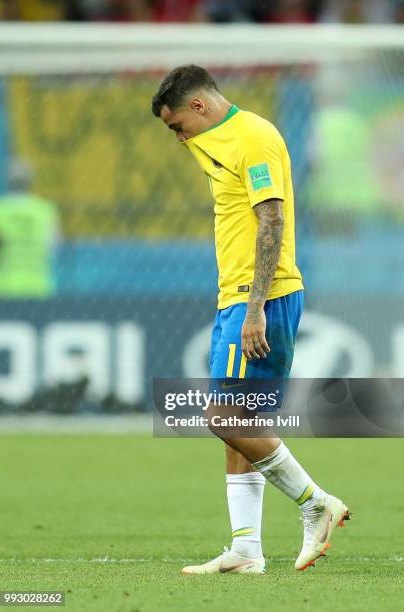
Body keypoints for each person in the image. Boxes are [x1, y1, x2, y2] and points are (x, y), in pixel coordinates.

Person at [152, 65, 350, 574]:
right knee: (244, 425)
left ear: (199, 107)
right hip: (237, 298)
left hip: (258, 299)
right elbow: (199, 139)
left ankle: (315, 502)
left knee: (222, 418)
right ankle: (246, 549)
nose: (177, 139)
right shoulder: (213, 140)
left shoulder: (254, 138)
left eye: (177, 126)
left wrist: (255, 307)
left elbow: (272, 219)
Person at [0, 159, 59, 298]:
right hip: (37, 286)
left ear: (7, 180)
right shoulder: (45, 211)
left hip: (3, 286)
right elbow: (53, 249)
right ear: (31, 181)